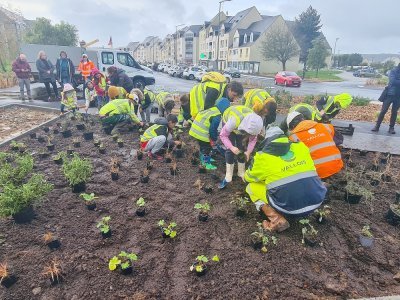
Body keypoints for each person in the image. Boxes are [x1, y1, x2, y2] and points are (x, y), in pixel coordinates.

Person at [244, 127, 327, 232]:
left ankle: (277, 219)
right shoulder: (301, 147)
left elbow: (249, 177)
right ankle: (318, 212)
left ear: (267, 141)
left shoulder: (263, 156)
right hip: (317, 200)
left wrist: (247, 174)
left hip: (288, 207)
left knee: (251, 187)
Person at [287, 111, 343, 179]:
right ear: (303, 119)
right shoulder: (325, 126)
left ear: (292, 126)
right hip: (337, 166)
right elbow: (340, 139)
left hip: (317, 173)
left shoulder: (293, 138)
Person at [219, 106, 264, 189]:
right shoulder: (233, 121)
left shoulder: (255, 123)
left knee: (242, 147)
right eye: (247, 134)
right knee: (230, 150)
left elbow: (253, 140)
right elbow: (223, 135)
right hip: (229, 120)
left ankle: (241, 172)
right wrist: (232, 147)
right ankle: (228, 175)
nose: (248, 136)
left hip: (241, 125)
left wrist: (248, 152)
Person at [189, 98, 231, 169]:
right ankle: (206, 163)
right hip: (201, 133)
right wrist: (214, 138)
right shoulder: (217, 115)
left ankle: (202, 158)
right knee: (206, 148)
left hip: (194, 130)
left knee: (202, 146)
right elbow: (212, 129)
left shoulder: (211, 109)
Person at [372, 63, 400, 134]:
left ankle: (391, 128)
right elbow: (393, 81)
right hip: (389, 94)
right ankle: (377, 126)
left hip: (398, 96)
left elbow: (396, 81)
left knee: (394, 112)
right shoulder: (393, 71)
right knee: (383, 111)